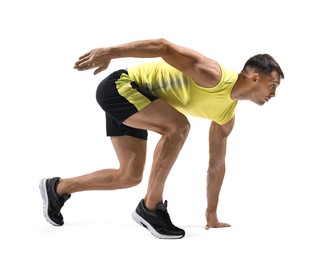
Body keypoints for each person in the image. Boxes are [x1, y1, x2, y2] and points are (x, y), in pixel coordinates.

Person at [39, 38, 284, 239]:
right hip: (122, 86)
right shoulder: (212, 74)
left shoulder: (226, 117)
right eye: (272, 85)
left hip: (140, 103)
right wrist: (110, 51)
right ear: (254, 78)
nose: (273, 94)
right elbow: (163, 47)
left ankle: (58, 188)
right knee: (178, 127)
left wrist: (211, 214)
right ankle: (150, 208)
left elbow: (216, 165)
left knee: (129, 176)